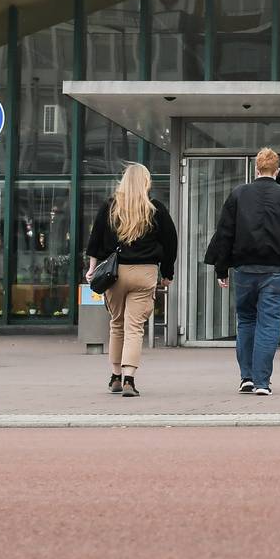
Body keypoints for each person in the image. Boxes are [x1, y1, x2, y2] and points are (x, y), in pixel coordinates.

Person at [204, 147, 280, 395]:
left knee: (246, 320)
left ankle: (247, 378)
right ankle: (263, 382)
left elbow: (225, 234)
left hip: (244, 269)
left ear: (256, 168)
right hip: (277, 271)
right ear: (277, 170)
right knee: (269, 323)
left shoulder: (238, 195)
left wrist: (222, 269)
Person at [84, 161, 176, 398]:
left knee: (116, 324)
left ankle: (114, 376)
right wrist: (167, 273)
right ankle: (129, 379)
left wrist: (92, 267)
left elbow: (95, 240)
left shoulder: (110, 208)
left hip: (115, 274)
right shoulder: (155, 209)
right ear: (146, 182)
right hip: (145, 272)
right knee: (134, 328)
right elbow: (170, 243)